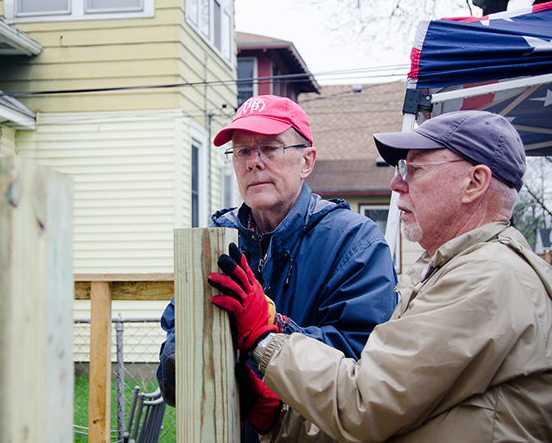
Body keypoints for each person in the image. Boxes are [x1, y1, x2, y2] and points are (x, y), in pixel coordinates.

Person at [210, 110, 552, 442]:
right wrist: (272, 414)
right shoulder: (445, 269)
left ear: (474, 183)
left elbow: (364, 403)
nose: (396, 183)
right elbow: (386, 421)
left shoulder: (487, 278)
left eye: (415, 168)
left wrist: (265, 340)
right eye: (242, 151)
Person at [157, 95, 398, 442]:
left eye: (270, 148)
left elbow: (361, 360)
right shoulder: (216, 242)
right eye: (242, 151)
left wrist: (272, 329)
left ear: (307, 160)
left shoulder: (354, 242)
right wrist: (178, 356)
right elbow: (178, 320)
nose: (253, 162)